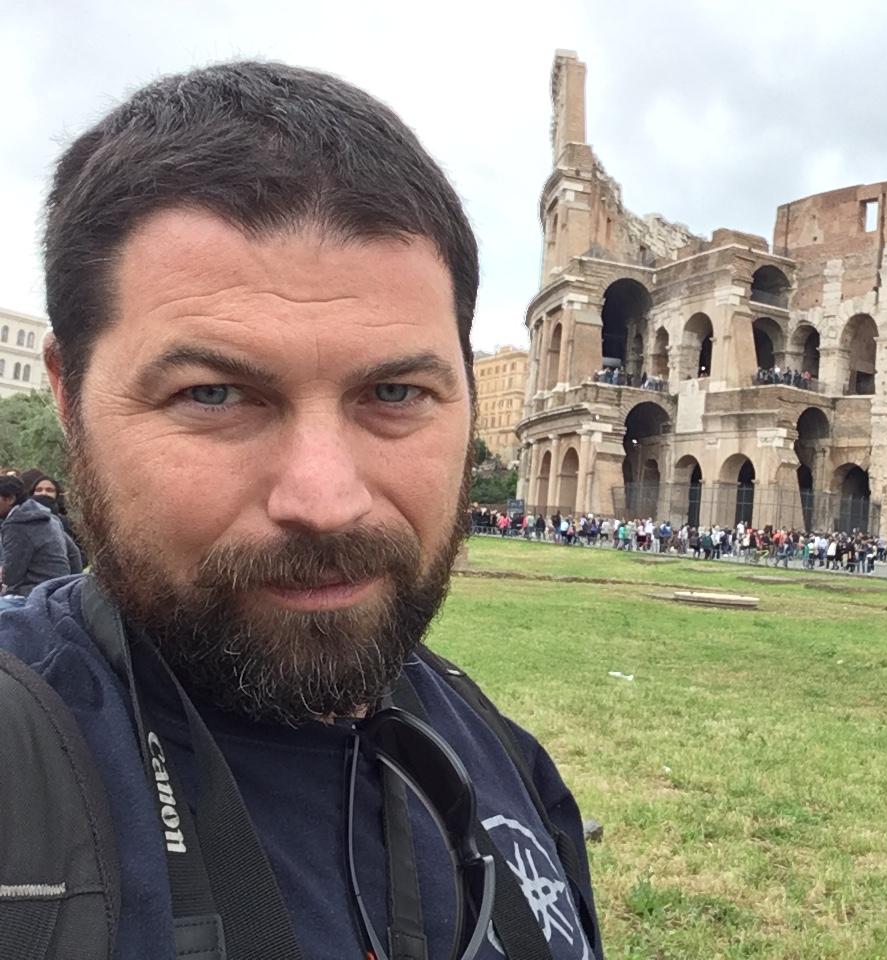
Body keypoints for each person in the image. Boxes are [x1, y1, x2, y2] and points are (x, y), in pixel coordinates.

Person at [0, 63, 601, 960]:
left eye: (394, 393)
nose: (325, 502)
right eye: (212, 394)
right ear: (67, 391)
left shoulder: (506, 764)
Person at [0, 475, 82, 604]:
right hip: (57, 593)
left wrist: (3, 572)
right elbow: (74, 554)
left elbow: (12, 576)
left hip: (29, 595)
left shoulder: (16, 524)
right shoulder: (47, 516)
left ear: (9, 499)